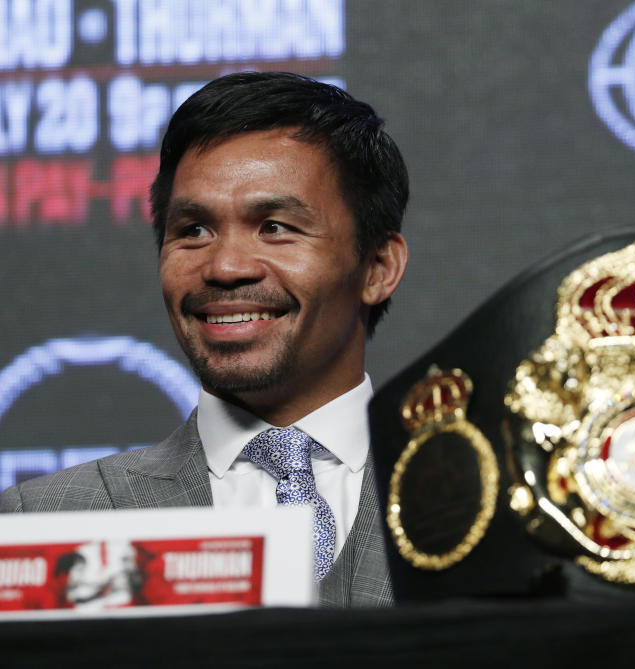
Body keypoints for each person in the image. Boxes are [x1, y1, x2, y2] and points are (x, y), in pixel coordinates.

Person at [0, 72, 409, 607]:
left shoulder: (488, 500)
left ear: (378, 267)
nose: (225, 267)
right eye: (193, 231)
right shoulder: (44, 523)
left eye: (275, 227)